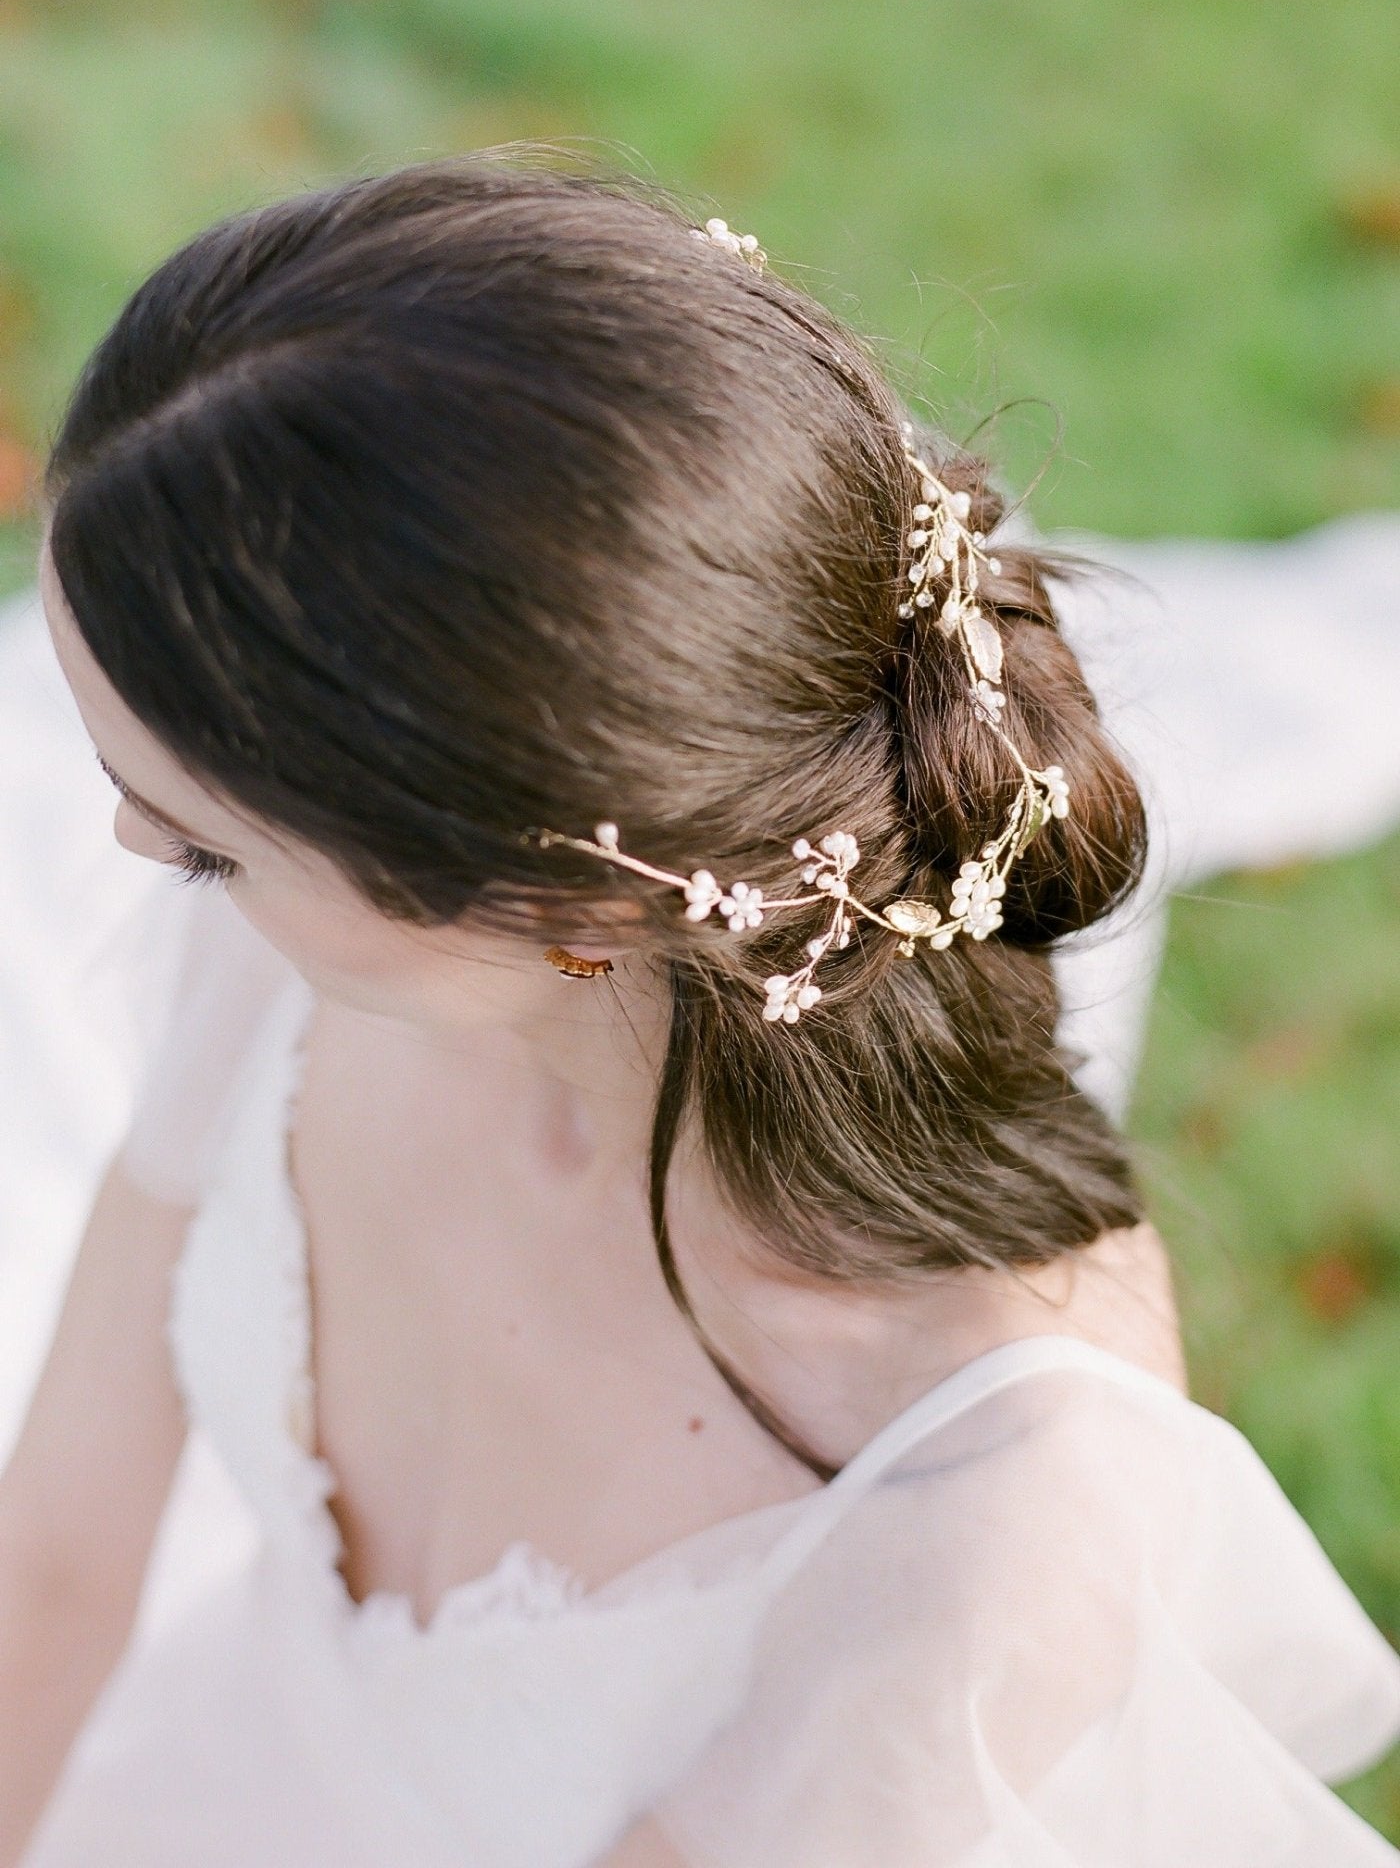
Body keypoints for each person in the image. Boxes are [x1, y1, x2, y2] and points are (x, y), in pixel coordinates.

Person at [1, 157, 1398, 1866]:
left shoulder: (983, 1498)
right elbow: (61, 1550)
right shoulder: (282, 964)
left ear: (563, 895)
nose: (135, 846)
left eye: (210, 842)